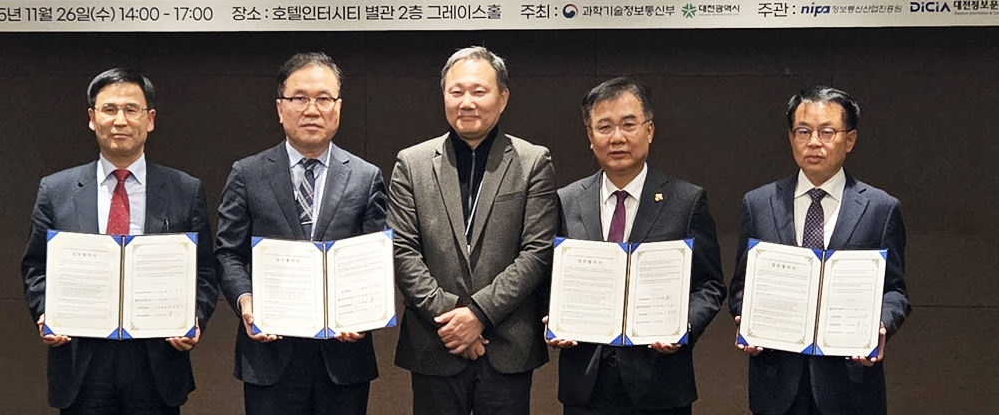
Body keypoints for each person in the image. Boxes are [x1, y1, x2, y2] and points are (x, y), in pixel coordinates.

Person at [21, 68, 218, 415]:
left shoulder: (184, 190)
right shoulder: (56, 190)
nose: (120, 120)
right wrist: (45, 310)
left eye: (131, 109)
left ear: (150, 119)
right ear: (92, 118)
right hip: (81, 359)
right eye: (109, 109)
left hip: (156, 361)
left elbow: (205, 271)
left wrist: (194, 316)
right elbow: (36, 267)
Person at [214, 52, 386, 415]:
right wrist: (246, 300)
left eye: (323, 98)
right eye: (299, 98)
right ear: (280, 108)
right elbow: (228, 253)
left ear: (338, 107)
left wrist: (364, 314)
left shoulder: (365, 176)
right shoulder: (247, 173)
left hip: (343, 357)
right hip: (269, 355)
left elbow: (378, 257)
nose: (311, 109)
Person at [389, 46, 558, 415]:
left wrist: (479, 314)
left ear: (503, 98)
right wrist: (453, 316)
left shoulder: (533, 161)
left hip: (507, 344)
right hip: (436, 342)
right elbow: (402, 251)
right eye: (456, 91)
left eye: (479, 91)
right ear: (444, 96)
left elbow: (537, 252)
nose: (467, 102)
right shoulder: (412, 163)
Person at [546, 77, 726, 415]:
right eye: (604, 127)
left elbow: (710, 285)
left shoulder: (685, 200)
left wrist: (682, 327)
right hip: (585, 385)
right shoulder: (566, 201)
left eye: (629, 124)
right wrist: (552, 318)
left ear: (649, 130)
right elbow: (549, 278)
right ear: (590, 136)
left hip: (660, 382)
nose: (617, 137)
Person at [729, 86, 910, 415]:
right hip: (776, 383)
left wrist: (881, 324)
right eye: (803, 132)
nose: (814, 142)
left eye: (827, 132)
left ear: (849, 140)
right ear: (791, 138)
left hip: (850, 386)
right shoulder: (759, 204)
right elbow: (742, 285)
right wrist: (748, 318)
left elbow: (895, 291)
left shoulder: (880, 208)